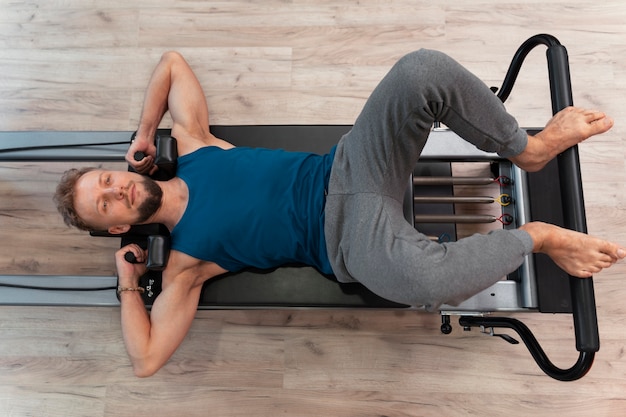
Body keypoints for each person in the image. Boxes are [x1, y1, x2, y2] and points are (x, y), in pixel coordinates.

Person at [54, 49, 624, 377]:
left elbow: (172, 63)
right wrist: (130, 283)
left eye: (108, 181)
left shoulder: (196, 146)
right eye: (105, 207)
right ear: (119, 227)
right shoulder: (184, 265)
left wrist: (147, 129)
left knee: (419, 70)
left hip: (351, 167)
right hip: (351, 244)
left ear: (123, 170)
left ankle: (530, 148)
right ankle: (541, 238)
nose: (116, 193)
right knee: (424, 281)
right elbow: (147, 360)